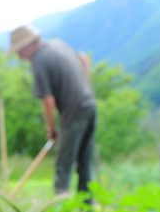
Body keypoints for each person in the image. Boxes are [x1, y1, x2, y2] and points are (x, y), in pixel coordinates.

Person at [10, 24, 96, 199]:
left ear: (29, 45)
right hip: (90, 103)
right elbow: (83, 59)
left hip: (72, 111)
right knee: (84, 162)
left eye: (19, 51)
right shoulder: (57, 44)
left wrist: (51, 128)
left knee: (63, 165)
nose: (19, 57)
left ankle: (58, 210)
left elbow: (48, 100)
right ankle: (87, 207)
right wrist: (85, 85)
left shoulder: (39, 60)